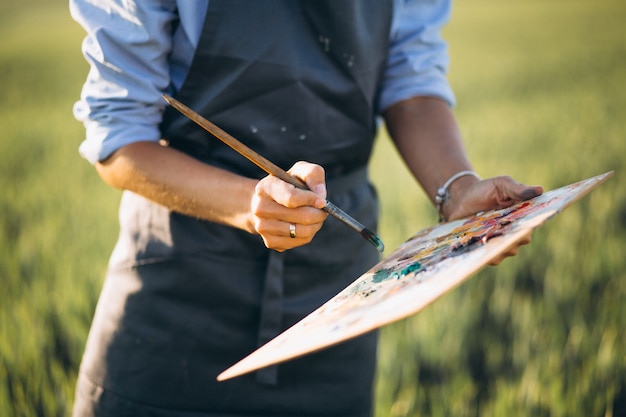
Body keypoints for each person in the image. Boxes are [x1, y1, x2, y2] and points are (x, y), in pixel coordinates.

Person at [70, 1, 543, 416]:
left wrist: (456, 187)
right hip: (176, 311)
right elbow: (120, 137)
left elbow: (410, 79)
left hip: (339, 304)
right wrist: (248, 204)